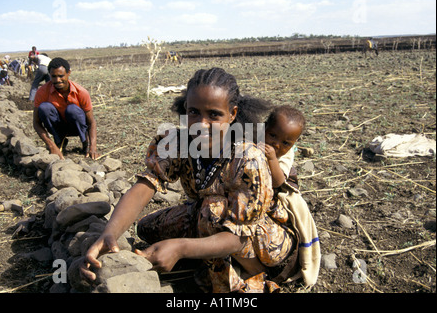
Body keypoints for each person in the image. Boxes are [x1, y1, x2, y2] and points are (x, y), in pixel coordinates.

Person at [80, 67, 307, 293]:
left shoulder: (248, 158)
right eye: (194, 112)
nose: (202, 123)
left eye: (214, 114)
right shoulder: (179, 143)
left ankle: (249, 274)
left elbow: (239, 236)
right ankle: (205, 254)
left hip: (260, 237)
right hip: (208, 217)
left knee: (212, 211)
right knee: (148, 228)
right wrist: (109, 234)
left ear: (233, 114)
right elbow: (146, 184)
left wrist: (181, 248)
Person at [259, 105, 321, 287]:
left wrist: (271, 159)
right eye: (272, 136)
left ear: (294, 144)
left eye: (286, 143)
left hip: (278, 198)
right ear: (264, 129)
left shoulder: (284, 156)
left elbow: (278, 181)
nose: (277, 145)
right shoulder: (255, 141)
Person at [32, 57, 100, 160]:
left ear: (69, 73)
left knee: (72, 109)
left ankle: (84, 143)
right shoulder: (42, 92)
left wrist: (93, 147)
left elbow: (91, 122)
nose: (57, 80)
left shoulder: (81, 92)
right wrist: (51, 145)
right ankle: (59, 141)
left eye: (61, 76)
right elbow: (36, 123)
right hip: (58, 127)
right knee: (44, 108)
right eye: (53, 76)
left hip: (77, 127)